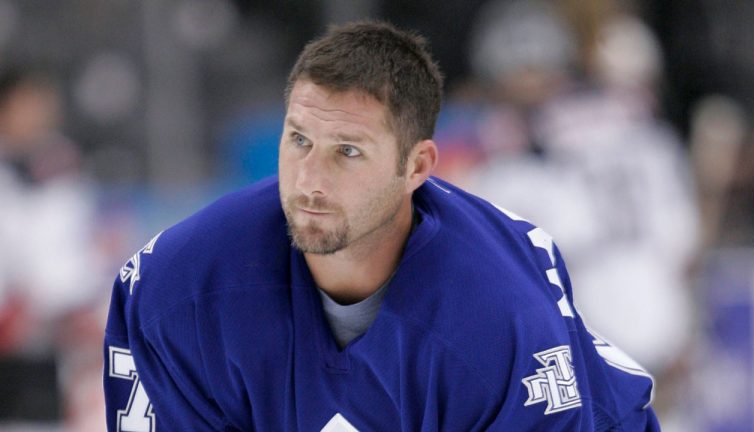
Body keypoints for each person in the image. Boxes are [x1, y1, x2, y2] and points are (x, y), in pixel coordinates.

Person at [103, 21, 659, 431]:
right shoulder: (179, 287)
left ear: (416, 167)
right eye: (299, 140)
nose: (309, 180)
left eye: (348, 151)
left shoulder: (500, 319)